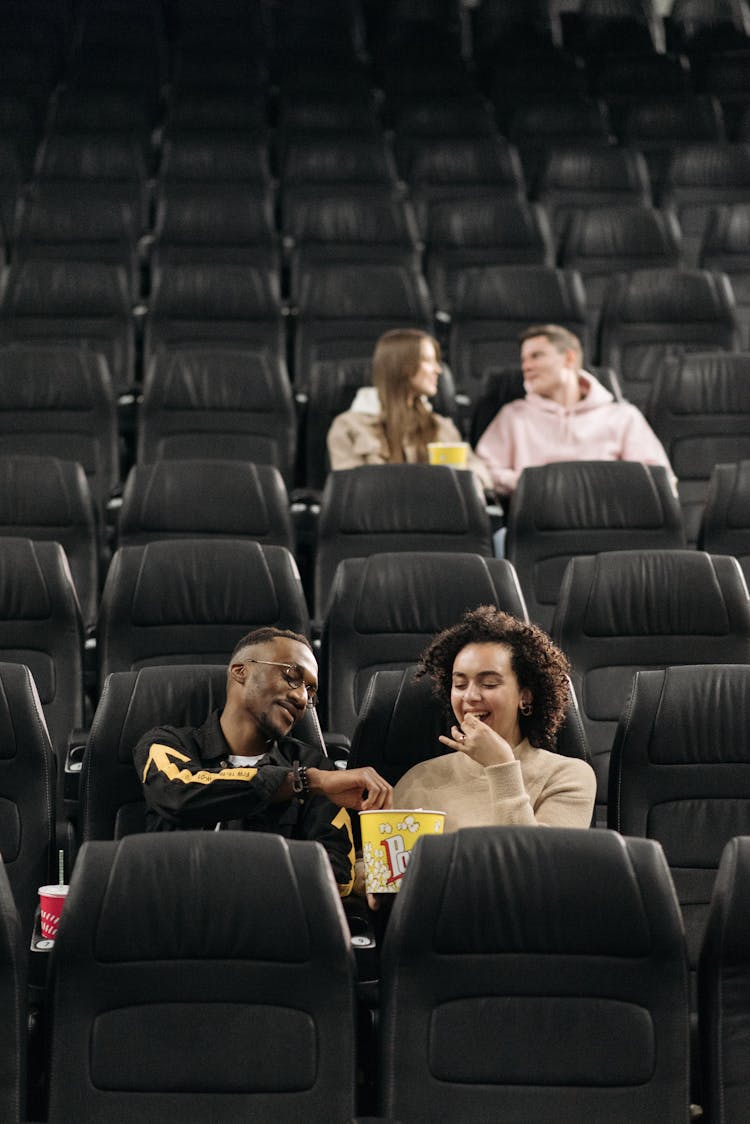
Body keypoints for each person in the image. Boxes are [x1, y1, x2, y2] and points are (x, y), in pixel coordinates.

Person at [133, 627, 393, 897]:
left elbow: (336, 875)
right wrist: (304, 781)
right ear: (240, 671)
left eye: (311, 690)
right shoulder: (166, 743)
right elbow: (179, 792)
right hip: (174, 920)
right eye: (292, 676)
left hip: (271, 925)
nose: (302, 698)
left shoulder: (319, 767)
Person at [393, 606, 596, 831]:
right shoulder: (418, 780)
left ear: (525, 696)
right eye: (459, 684)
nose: (470, 696)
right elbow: (376, 860)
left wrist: (502, 767)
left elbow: (535, 862)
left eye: (489, 683)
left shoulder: (567, 776)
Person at [476, 323, 675, 497]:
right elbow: (483, 471)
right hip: (536, 524)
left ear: (569, 359)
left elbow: (659, 479)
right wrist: (531, 483)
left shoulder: (623, 417)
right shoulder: (513, 416)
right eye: (524, 360)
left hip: (609, 523)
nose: (526, 366)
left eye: (536, 356)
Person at [326, 327, 493, 490]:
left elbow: (481, 476)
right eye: (428, 361)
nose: (438, 370)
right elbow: (349, 491)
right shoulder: (348, 427)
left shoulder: (440, 426)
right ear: (402, 366)